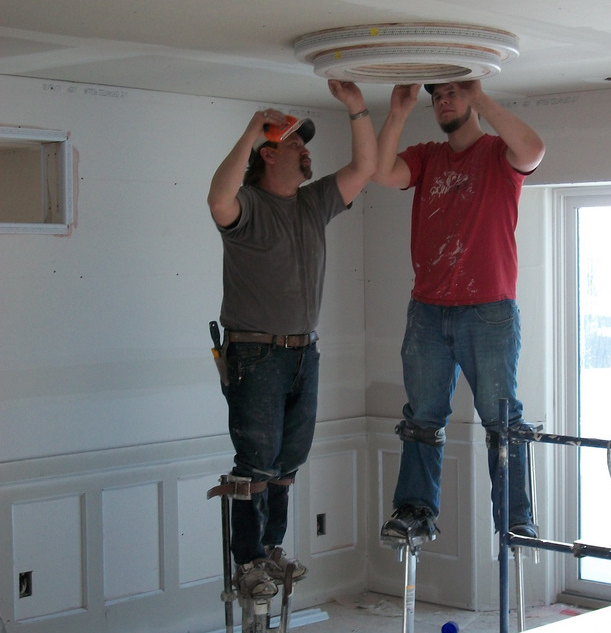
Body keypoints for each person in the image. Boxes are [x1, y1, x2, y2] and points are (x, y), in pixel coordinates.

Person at [207, 80, 376, 599]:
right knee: (255, 460)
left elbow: (365, 168)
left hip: (305, 350)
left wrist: (356, 107)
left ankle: (272, 549)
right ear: (268, 153)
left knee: (287, 461)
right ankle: (249, 562)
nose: (306, 150)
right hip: (255, 351)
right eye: (296, 143)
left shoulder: (313, 203)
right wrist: (253, 126)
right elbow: (218, 197)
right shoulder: (248, 207)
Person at [372, 80, 545, 545]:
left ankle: (514, 518)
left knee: (501, 416)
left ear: (471, 98)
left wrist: (483, 96)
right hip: (428, 310)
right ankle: (415, 511)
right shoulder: (428, 156)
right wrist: (399, 110)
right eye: (437, 95)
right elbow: (381, 172)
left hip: (488, 310)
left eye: (452, 92)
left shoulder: (497, 154)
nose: (442, 100)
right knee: (422, 415)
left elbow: (533, 148)